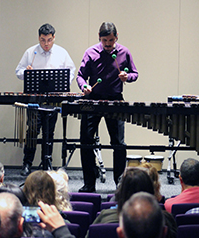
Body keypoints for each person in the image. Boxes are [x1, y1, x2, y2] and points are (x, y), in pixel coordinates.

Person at [76, 22, 138, 192]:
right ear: (99, 38)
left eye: (111, 40)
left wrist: (127, 77)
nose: (108, 44)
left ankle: (119, 183)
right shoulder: (91, 53)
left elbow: (135, 73)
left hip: (115, 100)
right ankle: (89, 183)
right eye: (105, 41)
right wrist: (84, 87)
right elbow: (80, 76)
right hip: (93, 101)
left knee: (118, 143)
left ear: (116, 37)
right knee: (86, 142)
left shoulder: (124, 52)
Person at [15, 23, 76, 176]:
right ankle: (27, 163)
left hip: (53, 96)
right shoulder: (31, 52)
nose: (46, 44)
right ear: (39, 38)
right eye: (43, 40)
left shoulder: (62, 53)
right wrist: (26, 72)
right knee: (33, 130)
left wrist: (63, 82)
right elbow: (18, 71)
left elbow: (71, 71)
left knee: (49, 131)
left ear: (54, 38)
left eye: (49, 40)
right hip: (35, 96)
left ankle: (46, 164)